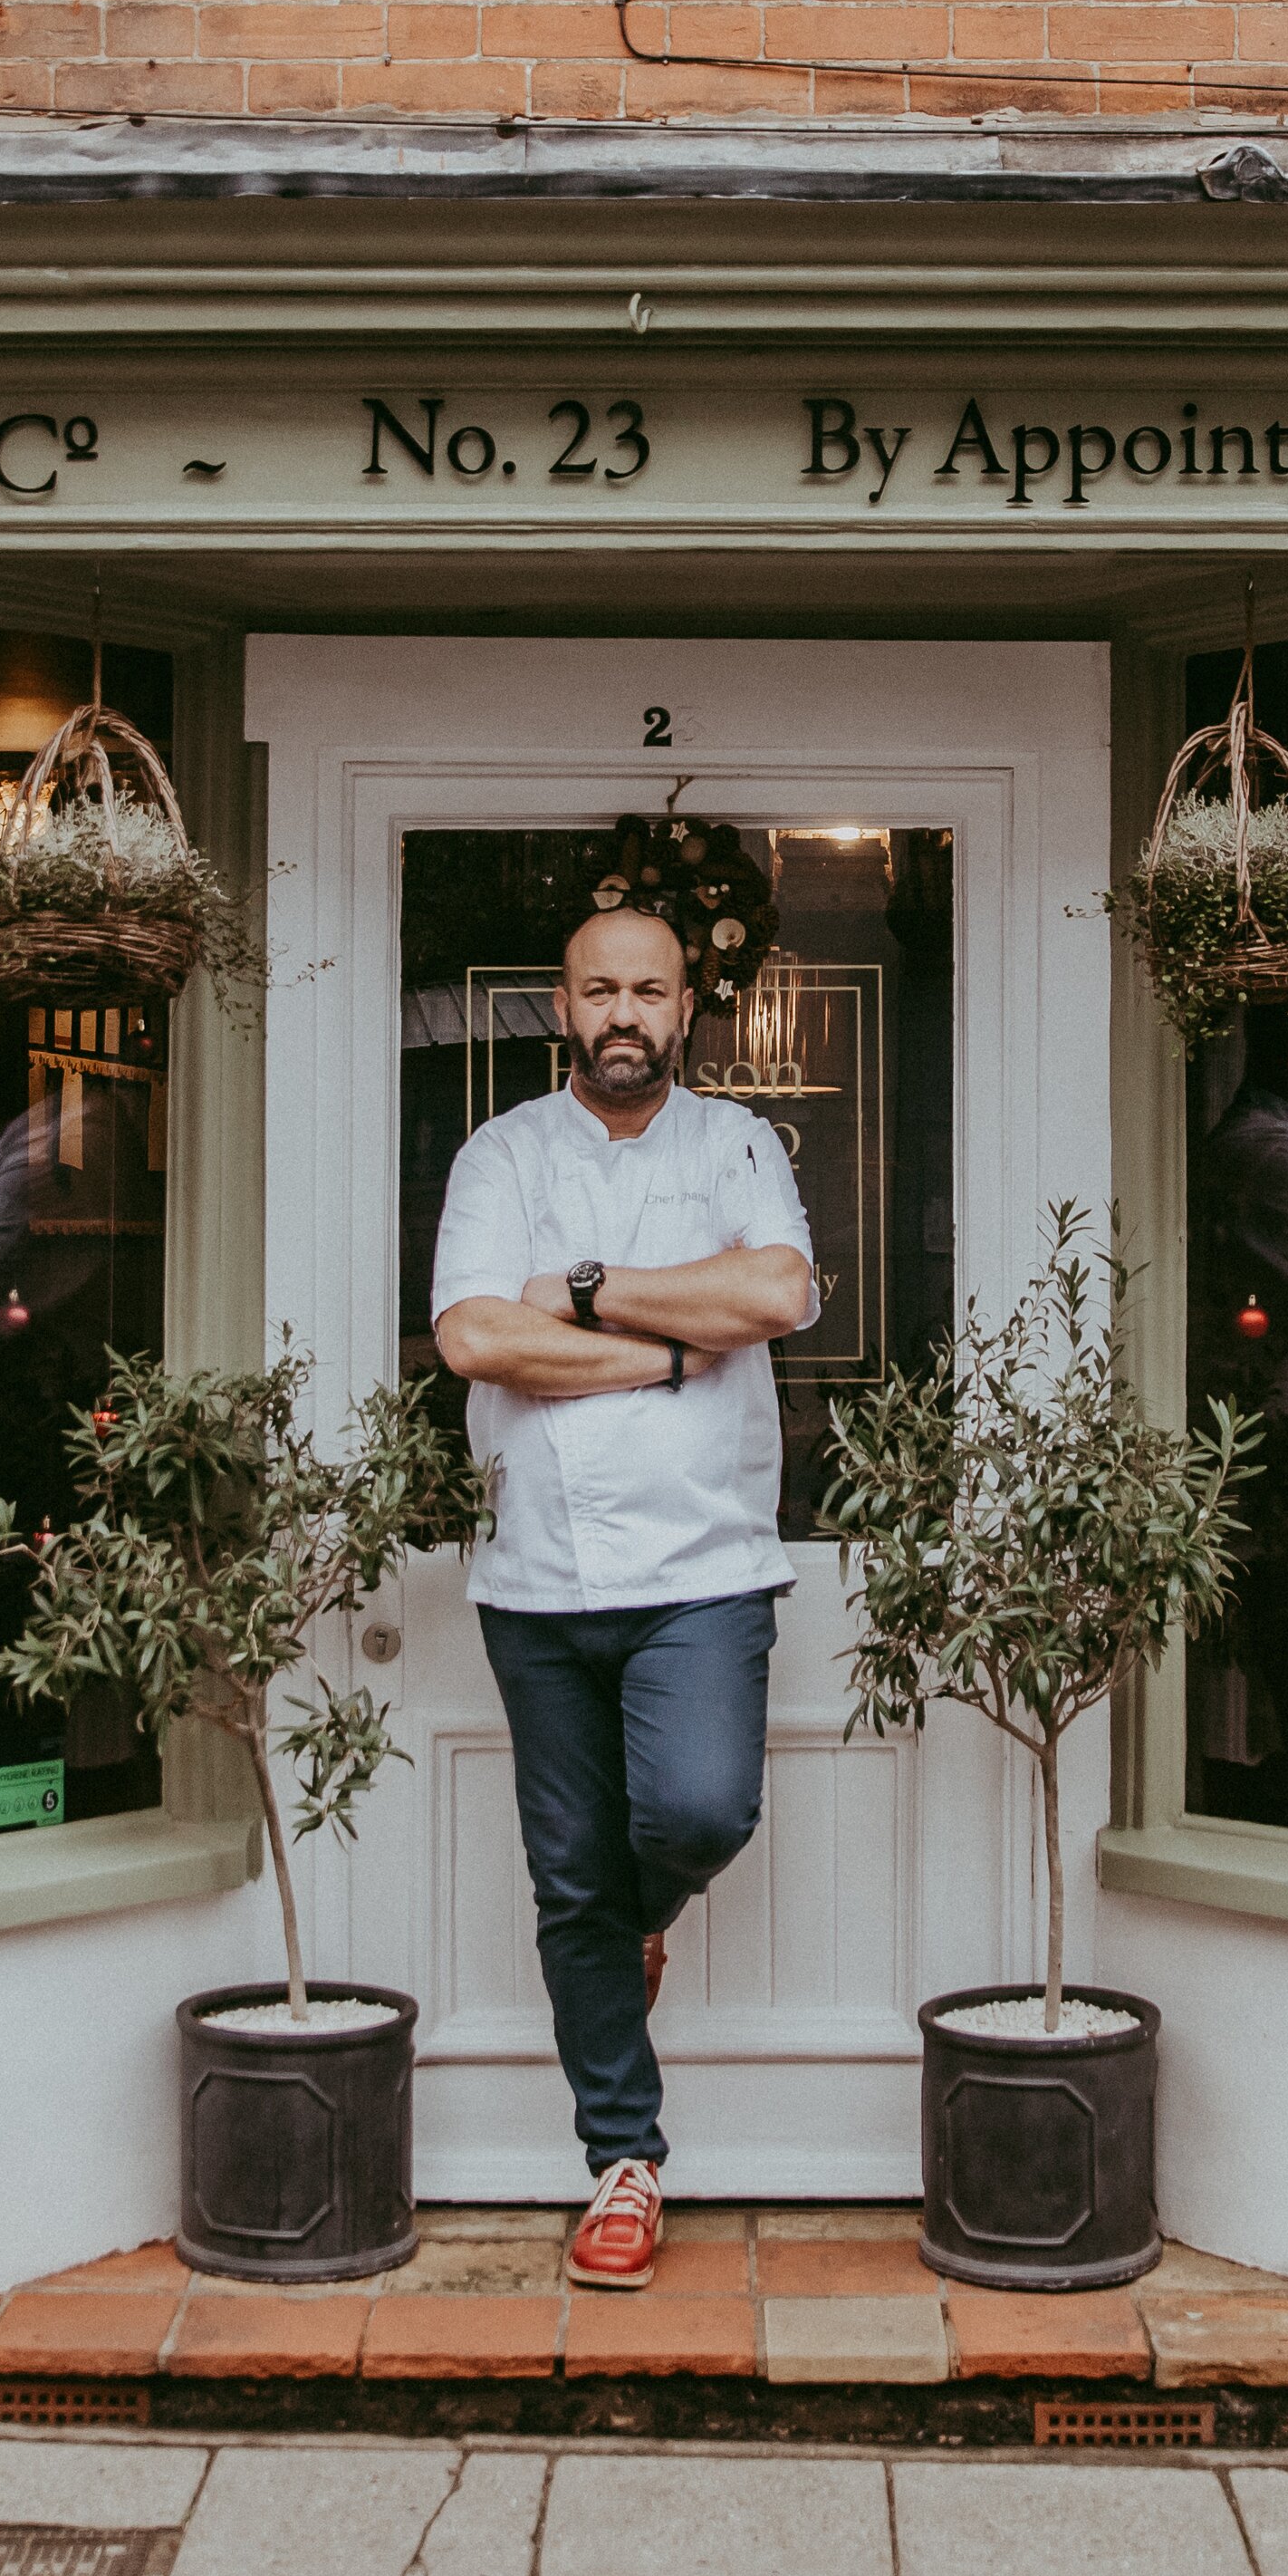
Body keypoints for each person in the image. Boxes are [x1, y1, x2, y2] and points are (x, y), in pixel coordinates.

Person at [428, 899, 822, 2287]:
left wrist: (586, 1294)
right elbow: (476, 1332)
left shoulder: (735, 1145)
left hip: (705, 1563)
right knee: (568, 1876)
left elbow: (773, 1293)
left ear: (684, 1005)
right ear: (561, 1002)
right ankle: (623, 2158)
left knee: (698, 1808)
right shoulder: (500, 1152)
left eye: (646, 989)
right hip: (535, 1571)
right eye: (598, 988)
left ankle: (639, 1921)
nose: (622, 1014)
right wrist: (666, 1350)